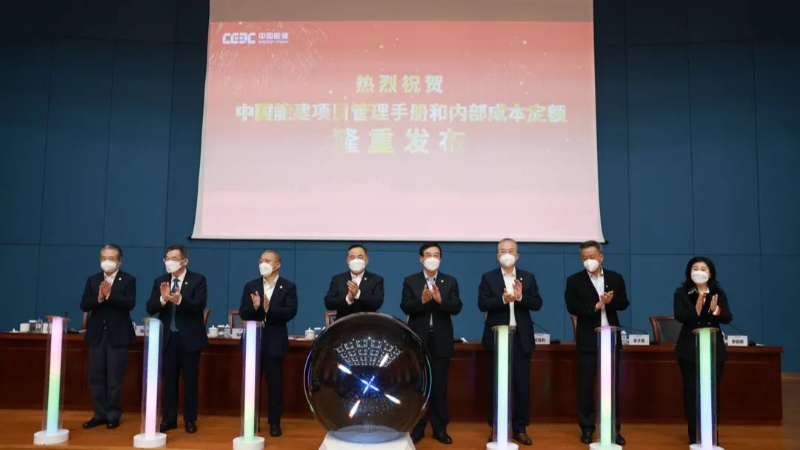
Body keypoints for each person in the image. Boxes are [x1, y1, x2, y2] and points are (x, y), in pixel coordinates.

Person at [478, 238, 542, 446]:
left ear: (517, 255)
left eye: (511, 251)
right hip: (498, 337)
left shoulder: (528, 277)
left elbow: (537, 303)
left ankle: (520, 428)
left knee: (522, 385)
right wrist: (504, 300)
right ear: (497, 256)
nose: (507, 254)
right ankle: (497, 427)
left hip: (521, 338)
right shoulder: (488, 277)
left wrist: (521, 297)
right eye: (503, 251)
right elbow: (482, 304)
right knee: (496, 385)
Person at [564, 241, 628, 445]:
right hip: (588, 339)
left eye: (591, 257)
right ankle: (587, 427)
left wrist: (610, 302)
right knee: (585, 386)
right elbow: (572, 307)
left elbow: (624, 303)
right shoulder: (574, 281)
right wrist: (596, 306)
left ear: (601, 257)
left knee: (611, 386)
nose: (588, 261)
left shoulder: (615, 278)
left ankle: (613, 429)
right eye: (584, 258)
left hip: (611, 338)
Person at [401, 242, 463, 445]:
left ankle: (440, 429)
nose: (432, 258)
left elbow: (457, 306)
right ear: (421, 259)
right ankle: (417, 428)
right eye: (428, 255)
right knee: (419, 385)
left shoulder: (450, 281)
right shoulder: (411, 281)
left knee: (440, 387)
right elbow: (405, 306)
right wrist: (421, 301)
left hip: (441, 340)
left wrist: (440, 300)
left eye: (436, 255)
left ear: (441, 259)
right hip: (418, 340)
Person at [146, 245, 208, 434]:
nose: (169, 262)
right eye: (167, 258)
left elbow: (199, 305)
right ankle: (169, 419)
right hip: (168, 339)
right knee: (169, 381)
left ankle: (190, 419)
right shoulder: (160, 281)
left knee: (190, 381)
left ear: (184, 261)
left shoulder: (198, 280)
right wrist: (163, 299)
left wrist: (180, 300)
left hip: (189, 338)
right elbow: (150, 307)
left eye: (173, 258)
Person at [674, 256, 732, 445]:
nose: (699, 271)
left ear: (710, 273)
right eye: (695, 268)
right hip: (689, 349)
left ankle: (711, 434)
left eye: (703, 268)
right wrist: (696, 310)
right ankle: (694, 434)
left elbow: (727, 318)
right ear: (689, 272)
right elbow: (679, 316)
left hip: (713, 349)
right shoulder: (682, 293)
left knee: (712, 391)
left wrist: (715, 310)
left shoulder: (718, 293)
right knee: (691, 391)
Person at [239, 250, 298, 437]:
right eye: (261, 260)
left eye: (267, 260)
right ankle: (251, 422)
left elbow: (290, 312)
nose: (263, 263)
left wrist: (268, 308)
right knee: (251, 385)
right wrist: (256, 307)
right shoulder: (251, 285)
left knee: (274, 385)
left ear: (277, 265)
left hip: (274, 340)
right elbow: (243, 312)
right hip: (253, 340)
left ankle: (274, 423)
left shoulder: (288, 286)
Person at [79, 244, 136, 430]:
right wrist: (99, 298)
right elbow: (84, 304)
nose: (107, 261)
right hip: (97, 335)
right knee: (95, 377)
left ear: (119, 261)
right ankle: (99, 414)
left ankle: (113, 414)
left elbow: (130, 304)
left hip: (117, 335)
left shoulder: (128, 280)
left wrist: (110, 295)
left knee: (114, 378)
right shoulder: (93, 279)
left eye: (111, 258)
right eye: (104, 258)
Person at [324, 244, 384, 319]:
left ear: (366, 259)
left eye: (360, 257)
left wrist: (358, 294)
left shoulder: (376, 279)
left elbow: (377, 303)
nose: (356, 260)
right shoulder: (338, 279)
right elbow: (329, 303)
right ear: (347, 260)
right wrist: (348, 299)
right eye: (352, 257)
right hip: (343, 324)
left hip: (367, 324)